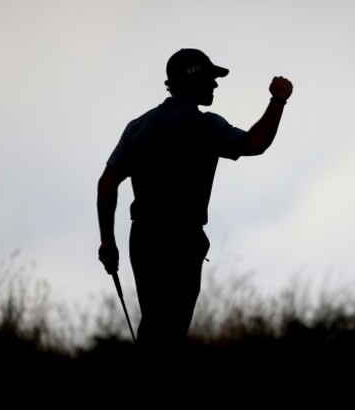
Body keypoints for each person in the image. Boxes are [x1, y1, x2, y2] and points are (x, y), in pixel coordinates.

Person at [97, 48, 293, 360]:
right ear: (195, 81)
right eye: (211, 79)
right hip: (182, 239)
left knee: (155, 322)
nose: (215, 86)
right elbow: (256, 142)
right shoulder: (207, 125)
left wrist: (108, 240)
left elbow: (107, 183)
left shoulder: (138, 126)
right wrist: (279, 99)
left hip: (143, 238)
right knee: (170, 330)